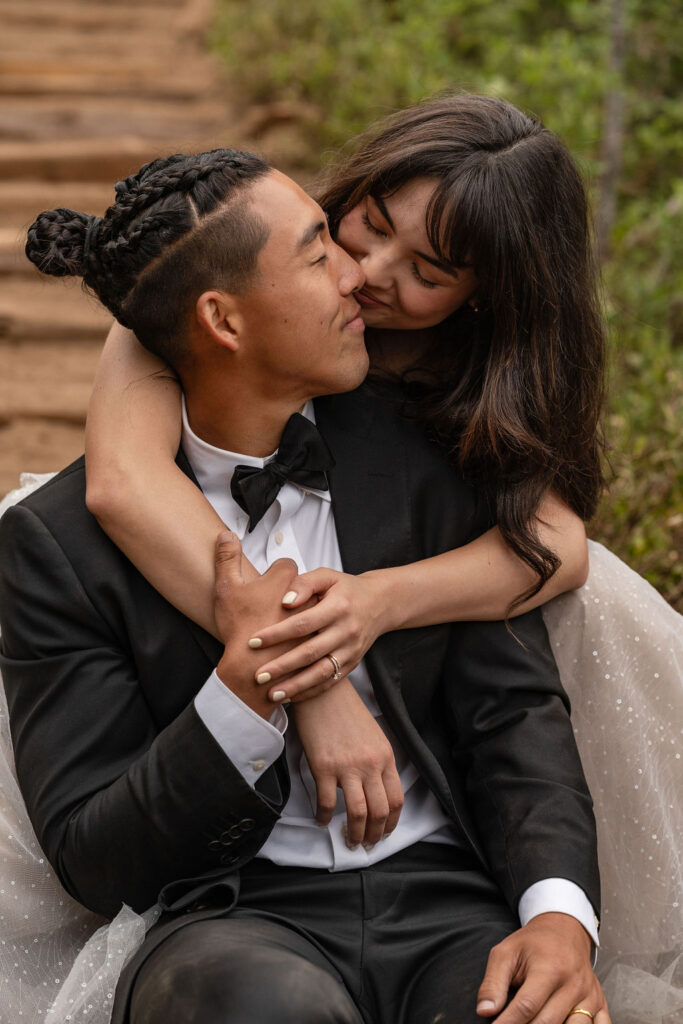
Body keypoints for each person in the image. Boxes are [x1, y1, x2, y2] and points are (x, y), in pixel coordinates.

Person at [82, 93, 682, 1014]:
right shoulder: (230, 277)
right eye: (364, 227)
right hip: (208, 559)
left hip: (453, 630)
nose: (367, 274)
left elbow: (555, 549)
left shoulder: (485, 383)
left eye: (429, 272)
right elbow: (125, 480)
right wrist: (314, 676)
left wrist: (378, 604)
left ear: (485, 297)